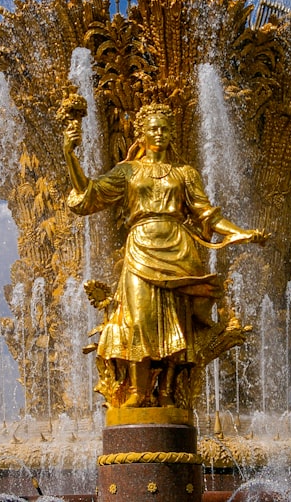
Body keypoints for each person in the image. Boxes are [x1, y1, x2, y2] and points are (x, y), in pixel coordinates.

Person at [63, 102, 265, 408]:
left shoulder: (185, 173)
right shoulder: (128, 171)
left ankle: (169, 391)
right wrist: (69, 154)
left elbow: (206, 215)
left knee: (177, 322)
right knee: (139, 319)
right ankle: (137, 391)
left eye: (165, 128)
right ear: (141, 134)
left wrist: (239, 232)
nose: (160, 133)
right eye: (153, 128)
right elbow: (90, 194)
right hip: (141, 246)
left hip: (178, 247)